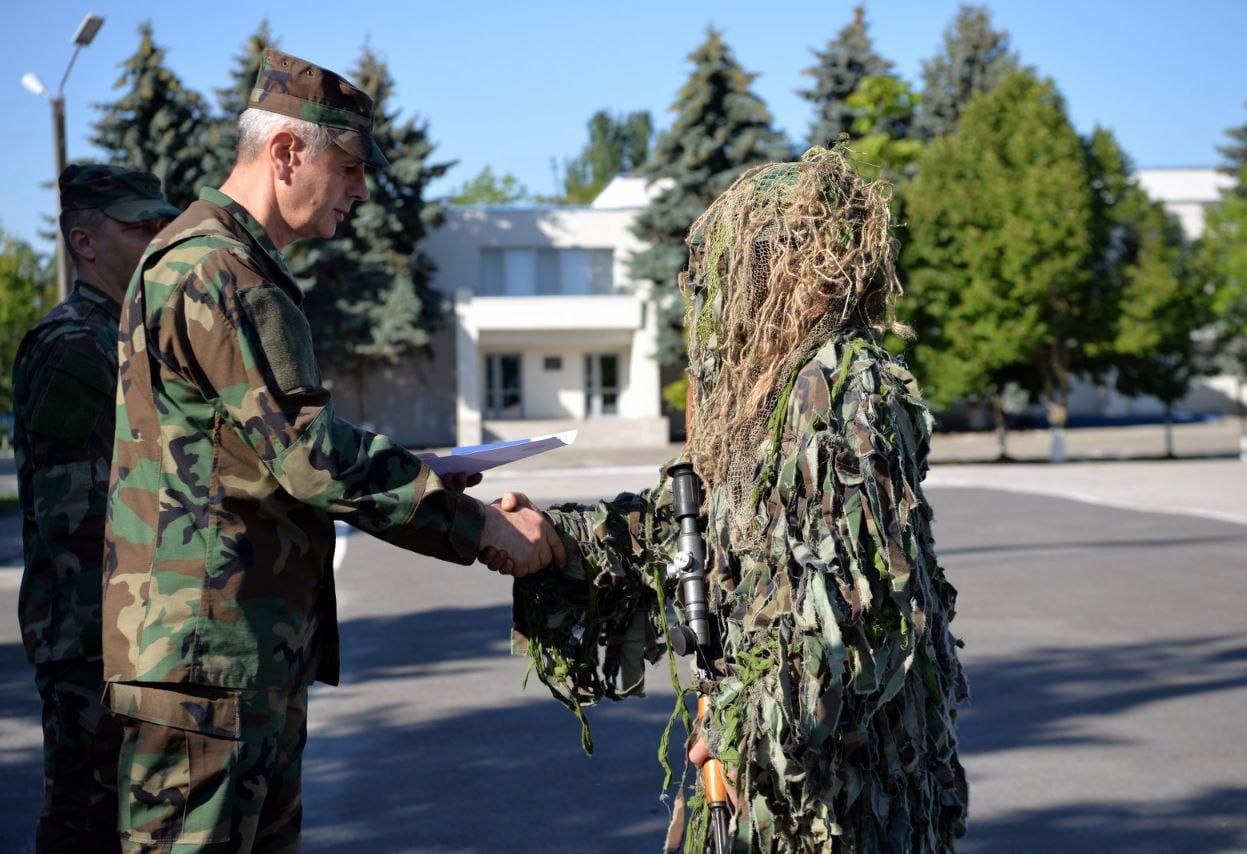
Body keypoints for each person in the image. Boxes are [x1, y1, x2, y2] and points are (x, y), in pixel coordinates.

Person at [101, 48, 562, 852]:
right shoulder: (219, 270)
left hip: (229, 659)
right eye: (349, 167)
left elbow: (252, 449)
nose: (360, 190)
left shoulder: (223, 262)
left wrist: (427, 472)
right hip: (209, 663)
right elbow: (309, 456)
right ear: (287, 153)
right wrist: (478, 526)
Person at [513, 148, 968, 852]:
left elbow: (848, 609)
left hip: (838, 795)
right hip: (763, 777)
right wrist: (555, 535)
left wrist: (738, 727)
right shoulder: (762, 400)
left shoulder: (844, 388)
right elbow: (685, 525)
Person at [13, 164, 179, 852]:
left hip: (138, 634)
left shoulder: (132, 338)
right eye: (140, 226)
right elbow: (77, 523)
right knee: (85, 823)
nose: (158, 236)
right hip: (95, 645)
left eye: (161, 222)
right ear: (84, 241)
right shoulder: (72, 347)